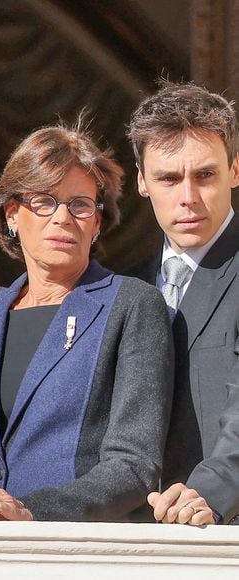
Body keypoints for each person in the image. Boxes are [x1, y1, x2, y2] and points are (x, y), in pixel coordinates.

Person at [0, 123, 174, 522]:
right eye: (44, 201)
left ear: (97, 223)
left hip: (77, 551)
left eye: (80, 204)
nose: (63, 218)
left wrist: (30, 513)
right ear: (12, 215)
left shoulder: (132, 305)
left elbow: (133, 464)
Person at [128, 81, 239, 525]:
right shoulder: (125, 284)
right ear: (142, 181)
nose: (188, 197)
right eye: (169, 178)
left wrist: (209, 492)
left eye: (205, 175)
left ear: (234, 169)